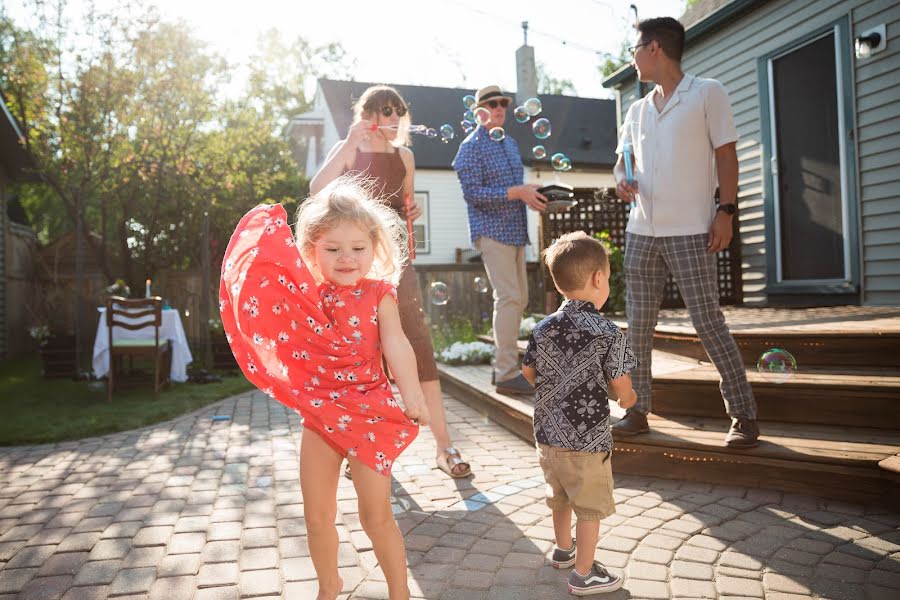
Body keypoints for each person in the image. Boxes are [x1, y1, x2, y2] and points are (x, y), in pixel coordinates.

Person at [219, 176, 430, 600]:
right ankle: (328, 586)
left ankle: (399, 592)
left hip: (371, 414)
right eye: (332, 248)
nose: (347, 257)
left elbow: (398, 347)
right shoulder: (306, 296)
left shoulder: (378, 294)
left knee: (376, 515)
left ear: (375, 249)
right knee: (317, 515)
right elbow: (274, 320)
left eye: (358, 248)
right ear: (312, 250)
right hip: (320, 417)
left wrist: (414, 397)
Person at [310, 85, 471, 478]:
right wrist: (350, 143)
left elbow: (405, 209)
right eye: (385, 111)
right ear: (366, 115)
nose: (394, 118)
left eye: (398, 111)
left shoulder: (405, 156)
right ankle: (363, 447)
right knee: (360, 354)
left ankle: (444, 447)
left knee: (418, 347)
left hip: (396, 266)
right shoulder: (350, 149)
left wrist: (411, 210)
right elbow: (316, 190)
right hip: (356, 268)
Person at [613, 16, 760, 448]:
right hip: (641, 231)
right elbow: (622, 159)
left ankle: (743, 415)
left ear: (654, 48)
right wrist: (621, 177)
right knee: (637, 325)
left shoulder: (707, 92)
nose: (632, 58)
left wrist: (726, 212)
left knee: (707, 321)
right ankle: (636, 410)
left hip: (690, 230)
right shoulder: (637, 109)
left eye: (634, 49)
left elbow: (727, 156)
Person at [522, 231, 637, 595]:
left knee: (559, 496)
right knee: (588, 507)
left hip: (547, 437)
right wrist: (629, 397)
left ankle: (563, 551)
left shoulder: (542, 327)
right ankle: (585, 574)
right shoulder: (608, 331)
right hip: (587, 441)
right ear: (599, 278)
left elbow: (528, 372)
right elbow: (620, 383)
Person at [453, 84, 547, 396]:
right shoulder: (470, 147)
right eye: (492, 103)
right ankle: (507, 374)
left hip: (516, 230)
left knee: (519, 299)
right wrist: (516, 193)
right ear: (478, 110)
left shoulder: (509, 143)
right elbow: (472, 194)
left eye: (503, 103)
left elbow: (514, 189)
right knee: (508, 299)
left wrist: (530, 191)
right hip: (491, 232)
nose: (499, 108)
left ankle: (501, 371)